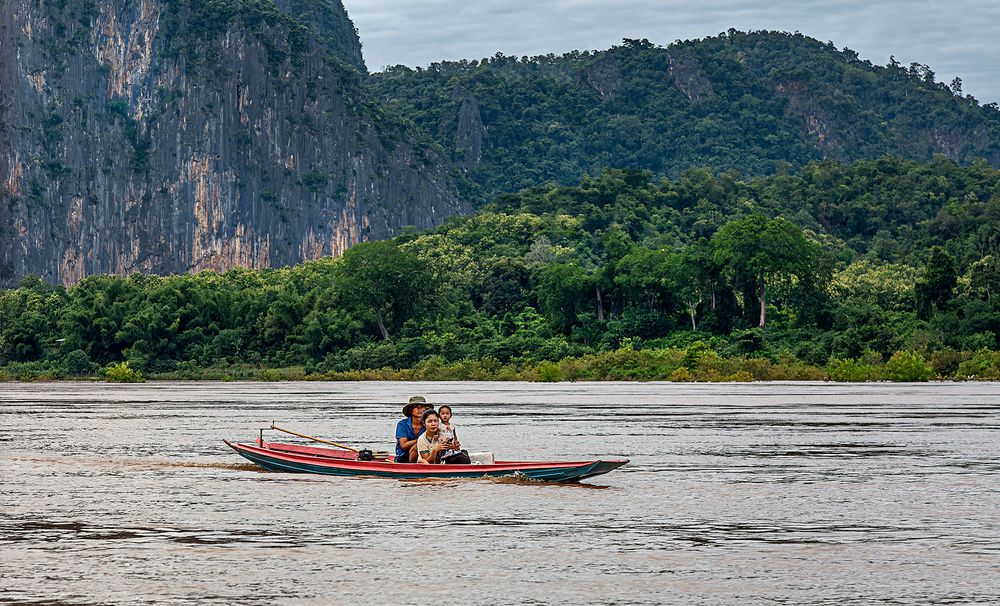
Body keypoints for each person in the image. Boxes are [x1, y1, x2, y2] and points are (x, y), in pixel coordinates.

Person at [395, 396, 431, 463]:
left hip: (424, 456)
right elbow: (404, 446)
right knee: (416, 446)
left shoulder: (429, 424)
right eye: (416, 407)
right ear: (410, 410)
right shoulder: (402, 424)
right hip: (403, 458)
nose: (419, 409)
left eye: (422, 407)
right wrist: (420, 440)